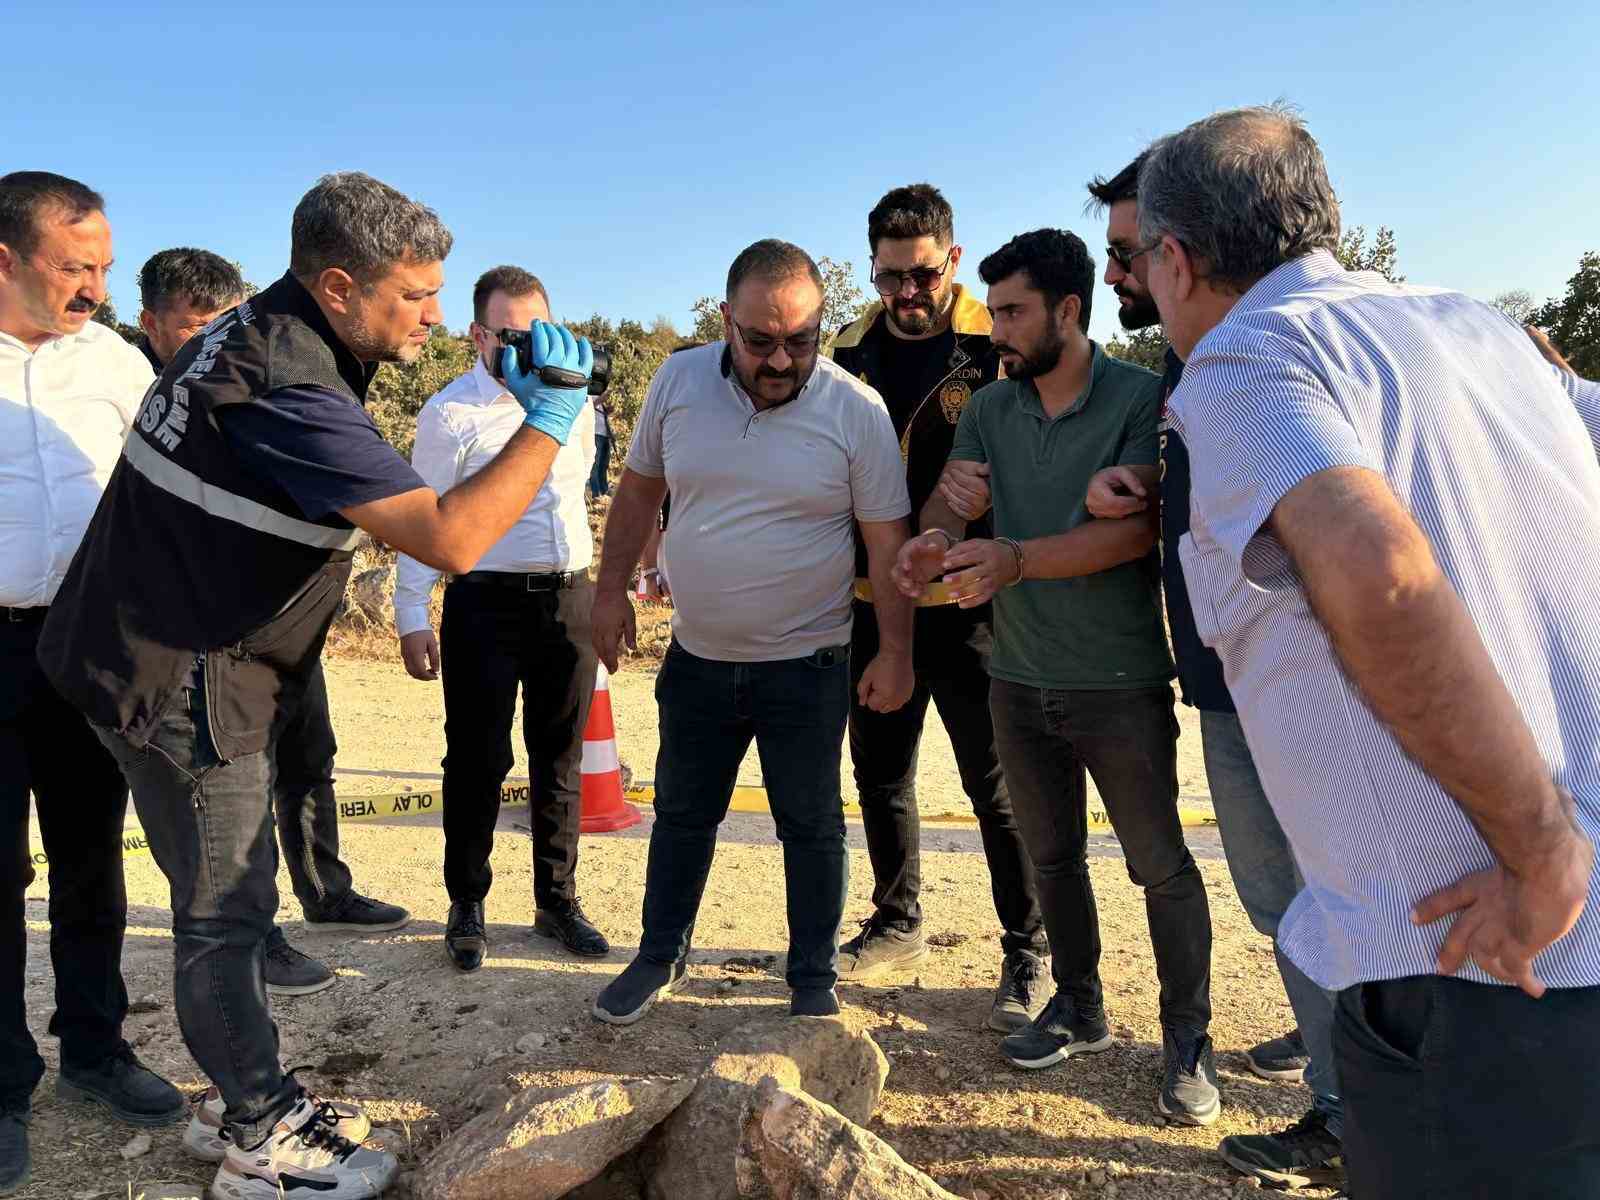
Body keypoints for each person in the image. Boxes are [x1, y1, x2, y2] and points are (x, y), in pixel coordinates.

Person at [37, 171, 598, 1200]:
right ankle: (259, 1139)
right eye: (415, 295)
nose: (436, 316)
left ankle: (248, 1093)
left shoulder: (256, 329)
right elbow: (452, 537)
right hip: (182, 675)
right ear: (337, 286)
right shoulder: (287, 382)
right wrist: (550, 417)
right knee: (226, 912)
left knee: (222, 905)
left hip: (140, 645)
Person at [1138, 105, 1600, 1196]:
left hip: (1488, 973)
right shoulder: (1486, 331)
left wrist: (1541, 853)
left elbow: (1381, 574)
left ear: (1173, 257)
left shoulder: (1247, 362)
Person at [895, 229, 1220, 1126]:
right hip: (1017, 674)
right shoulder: (993, 411)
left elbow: (1130, 536)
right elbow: (952, 509)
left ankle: (1187, 1039)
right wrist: (933, 538)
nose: (994, 328)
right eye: (993, 310)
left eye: (1011, 312)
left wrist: (1011, 559)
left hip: (1117, 678)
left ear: (1068, 311)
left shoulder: (1140, 399)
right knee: (1052, 857)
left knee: (1160, 866)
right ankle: (1078, 1005)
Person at [1080, 158, 1343, 1188]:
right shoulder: (1207, 368)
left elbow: (1365, 547)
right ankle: (1336, 1047)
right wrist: (1156, 481)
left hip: (1284, 689)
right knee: (1300, 902)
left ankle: (1343, 1105)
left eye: (1128, 253)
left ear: (1178, 252)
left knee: (1309, 899)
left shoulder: (1253, 360)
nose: (1119, 276)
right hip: (1231, 682)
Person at [590, 239, 915, 1024]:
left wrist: (897, 651)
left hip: (807, 666)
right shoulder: (677, 379)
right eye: (760, 340)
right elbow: (637, 495)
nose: (780, 361)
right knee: (682, 814)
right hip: (698, 661)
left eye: (800, 341)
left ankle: (812, 976)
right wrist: (607, 593)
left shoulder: (854, 410)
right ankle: (658, 954)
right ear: (725, 319)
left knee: (810, 824)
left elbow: (887, 543)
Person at [136, 247, 411, 1001]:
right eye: (192, 326)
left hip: (279, 617)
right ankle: (255, 932)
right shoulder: (146, 387)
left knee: (307, 753)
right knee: (223, 788)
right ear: (150, 323)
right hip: (189, 637)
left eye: (218, 324)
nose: (206, 338)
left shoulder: (252, 365)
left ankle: (326, 888)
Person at [0, 171, 184, 1198]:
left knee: (89, 861)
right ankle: (0, 1082)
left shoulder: (115, 362)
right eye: (76, 268)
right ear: (6, 261)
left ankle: (96, 1049)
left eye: (105, 268)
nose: (97, 289)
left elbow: (165, 491)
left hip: (85, 647)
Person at [826, 184, 1048, 1031]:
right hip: (868, 602)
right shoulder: (845, 352)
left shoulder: (995, 339)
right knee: (880, 774)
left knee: (997, 785)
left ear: (950, 259)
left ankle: (1027, 947)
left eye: (920, 275)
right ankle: (896, 921)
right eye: (889, 279)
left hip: (973, 605)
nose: (905, 295)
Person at [395, 264, 609, 971]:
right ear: (478, 334)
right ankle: (468, 903)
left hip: (566, 597)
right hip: (483, 599)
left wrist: (604, 595)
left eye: (539, 332)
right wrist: (409, 612)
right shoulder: (450, 412)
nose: (527, 348)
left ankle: (557, 900)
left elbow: (580, 499)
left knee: (563, 757)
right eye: (511, 334)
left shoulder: (574, 401)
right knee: (478, 759)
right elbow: (422, 518)